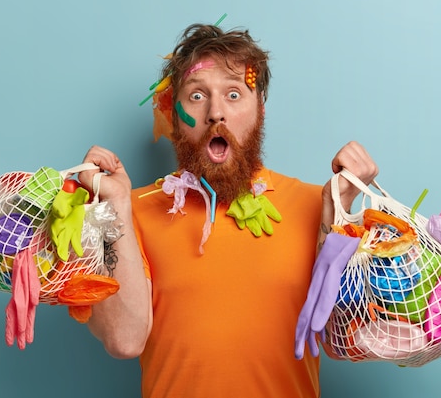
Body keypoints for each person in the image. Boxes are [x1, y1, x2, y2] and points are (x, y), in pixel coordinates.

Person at [77, 23, 378, 398]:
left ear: (260, 110)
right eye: (197, 96)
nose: (216, 112)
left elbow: (342, 334)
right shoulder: (129, 212)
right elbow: (124, 340)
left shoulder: (318, 205)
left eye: (234, 94)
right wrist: (112, 209)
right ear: (173, 112)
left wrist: (340, 210)